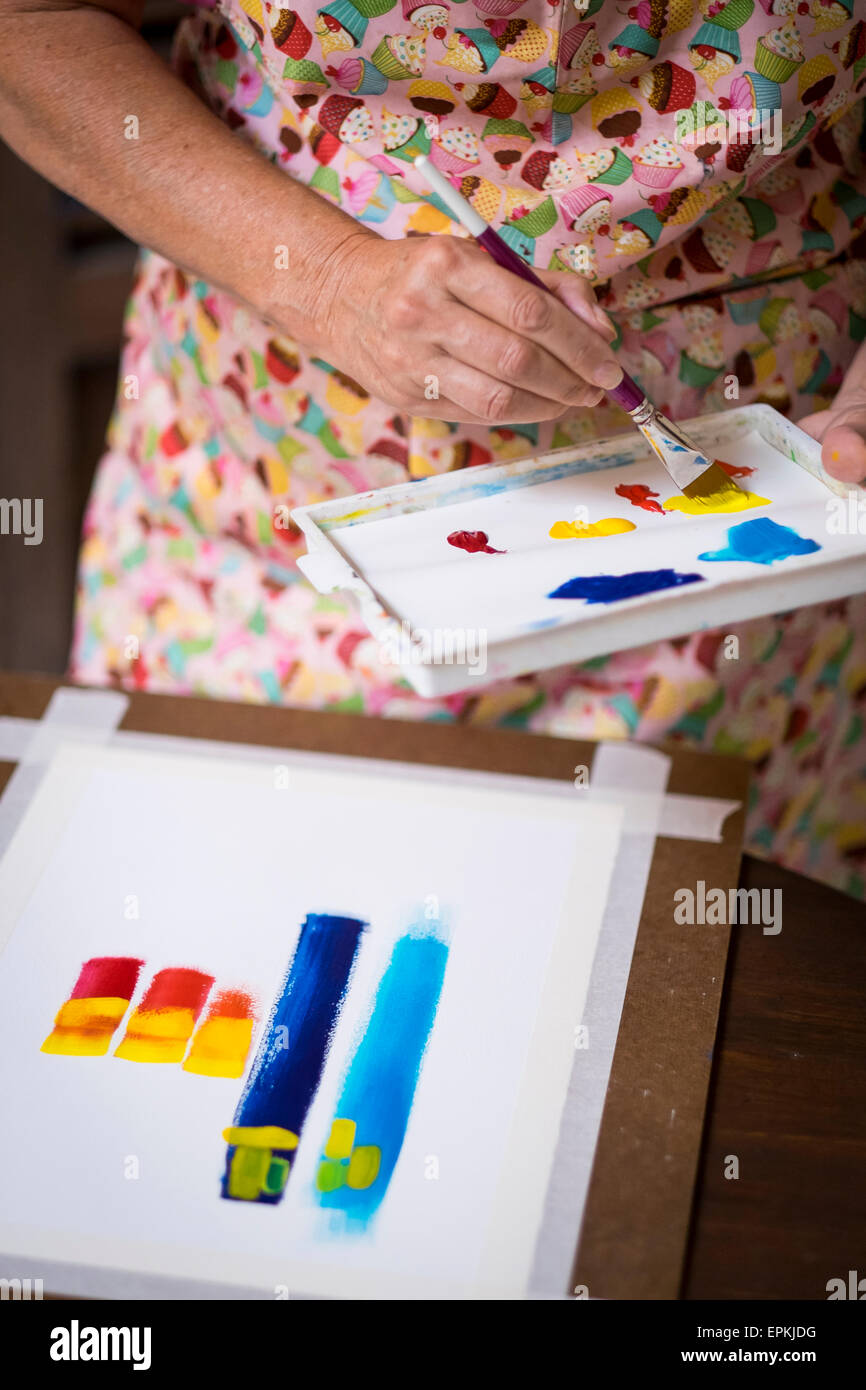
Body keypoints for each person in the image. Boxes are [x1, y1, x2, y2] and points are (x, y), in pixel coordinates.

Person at [1, 0, 865, 893]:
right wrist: (326, 279)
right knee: (228, 915)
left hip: (755, 564)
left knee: (686, 979)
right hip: (281, 502)